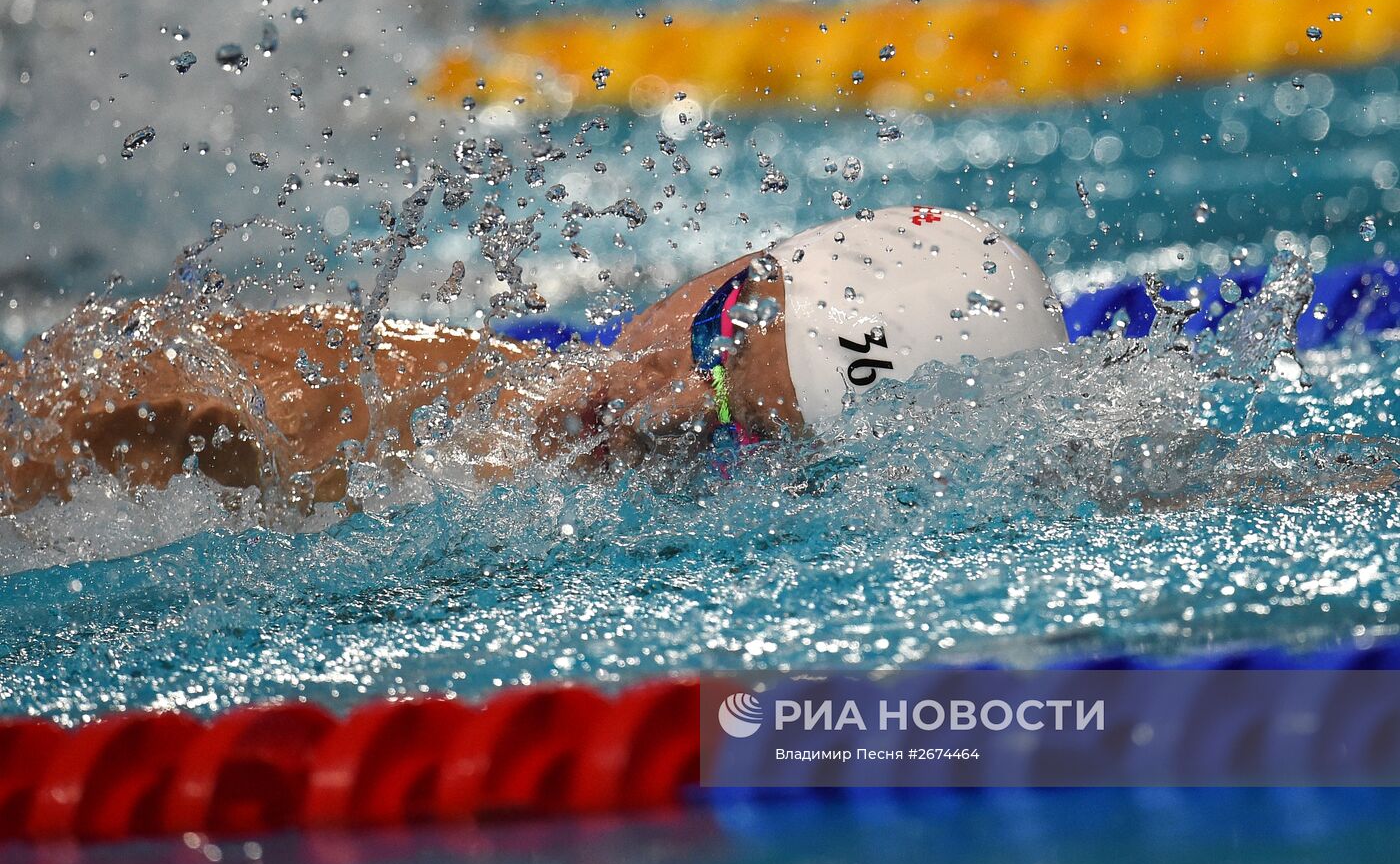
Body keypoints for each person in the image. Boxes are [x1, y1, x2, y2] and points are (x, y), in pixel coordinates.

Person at [0, 206, 1066, 515]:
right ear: (732, 272)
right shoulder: (312, 392)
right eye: (715, 347)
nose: (657, 414)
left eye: (736, 435)